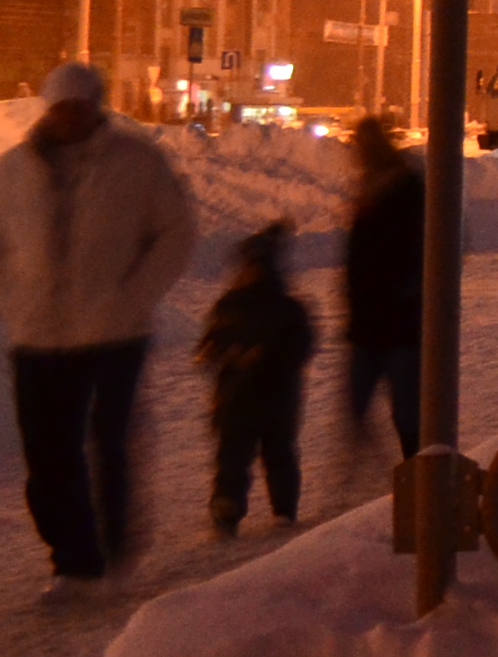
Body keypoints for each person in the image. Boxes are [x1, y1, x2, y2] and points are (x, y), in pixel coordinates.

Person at [2, 61, 197, 587]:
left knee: (108, 442)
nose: (71, 116)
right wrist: (12, 298)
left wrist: (135, 294)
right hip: (39, 334)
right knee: (47, 452)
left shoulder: (136, 163)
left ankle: (111, 546)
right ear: (48, 108)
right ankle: (72, 552)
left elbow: (176, 231)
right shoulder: (14, 170)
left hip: (115, 333)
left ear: (97, 107)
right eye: (62, 107)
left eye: (81, 106)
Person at [196, 224, 316, 537]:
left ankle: (250, 510)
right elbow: (302, 348)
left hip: (250, 398)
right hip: (263, 399)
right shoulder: (284, 307)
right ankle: (264, 511)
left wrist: (246, 356)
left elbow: (299, 348)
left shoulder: (239, 306)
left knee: (248, 456)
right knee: (261, 455)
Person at [339, 119, 424, 462]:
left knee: (405, 410)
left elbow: (424, 250)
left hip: (398, 320)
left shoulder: (406, 189)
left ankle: (416, 472)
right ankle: (380, 473)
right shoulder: (369, 189)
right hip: (370, 320)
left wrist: (407, 293)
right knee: (363, 406)